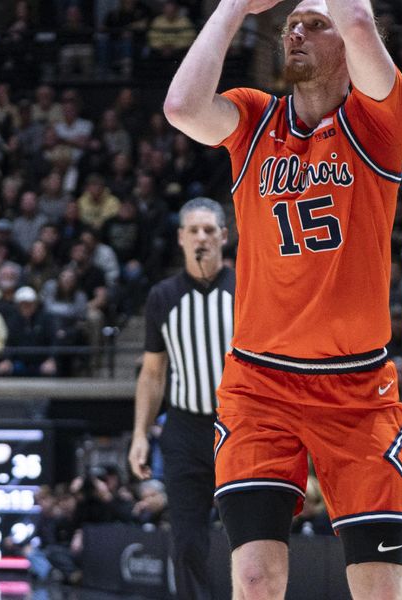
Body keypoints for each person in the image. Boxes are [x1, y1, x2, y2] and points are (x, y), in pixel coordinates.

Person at [165, 1, 402, 595]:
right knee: (254, 577)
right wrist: (232, 8)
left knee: (379, 584)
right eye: (291, 24)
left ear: (347, 44)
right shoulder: (254, 119)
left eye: (314, 23)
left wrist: (342, 18)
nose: (297, 31)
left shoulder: (378, 117)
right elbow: (181, 108)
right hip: (260, 384)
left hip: (355, 390)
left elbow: (356, 16)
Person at [128, 197, 235, 600]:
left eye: (209, 230)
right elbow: (153, 373)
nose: (202, 237)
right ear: (180, 238)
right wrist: (140, 433)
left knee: (249, 538)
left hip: (239, 429)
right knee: (187, 541)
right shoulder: (163, 297)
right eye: (194, 230)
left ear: (224, 236)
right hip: (185, 430)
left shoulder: (247, 291)